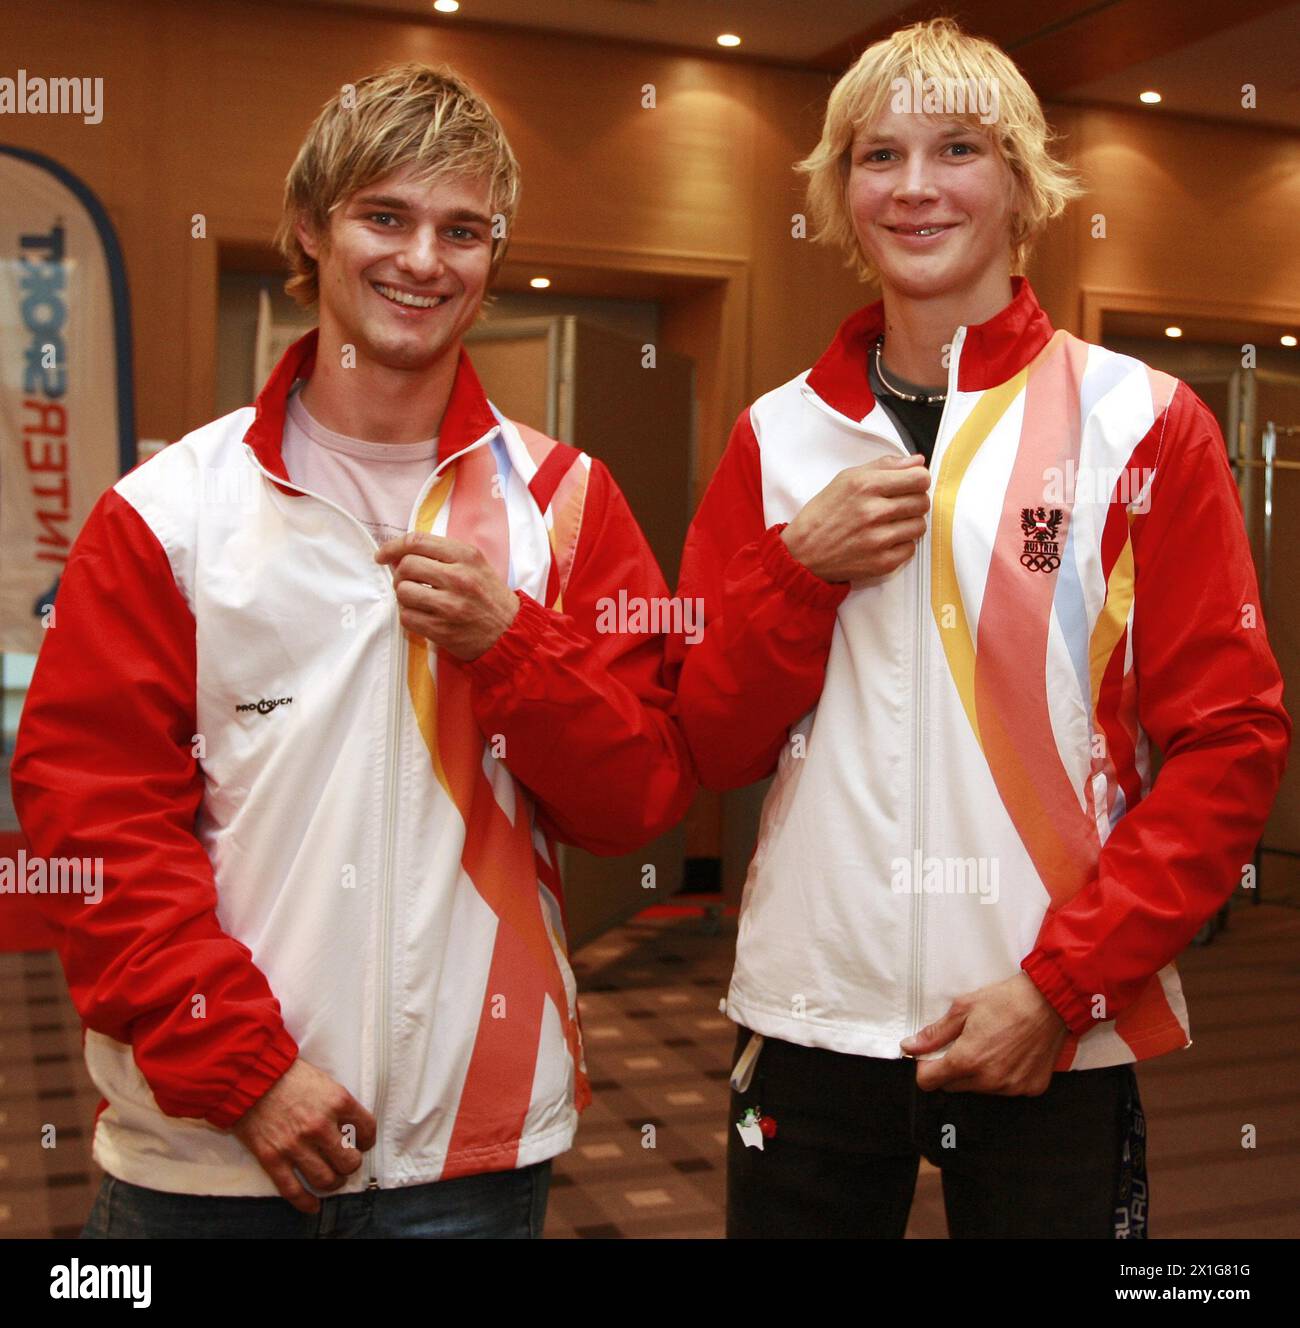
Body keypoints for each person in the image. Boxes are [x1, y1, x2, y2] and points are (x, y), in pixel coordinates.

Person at [11, 63, 696, 1239]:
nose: (423, 260)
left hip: (472, 1148)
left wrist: (514, 647)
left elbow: (636, 795)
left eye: (462, 229)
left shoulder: (566, 502)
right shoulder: (168, 510)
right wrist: (241, 1067)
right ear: (310, 229)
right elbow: (96, 821)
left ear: (493, 255)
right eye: (385, 215)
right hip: (207, 1144)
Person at [668, 17, 1291, 1239]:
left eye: (955, 148)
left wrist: (1064, 984)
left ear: (1020, 182)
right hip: (810, 1014)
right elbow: (711, 736)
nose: (911, 187)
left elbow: (1229, 744)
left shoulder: (1142, 423)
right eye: (875, 154)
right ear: (839, 193)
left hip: (1045, 1016)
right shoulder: (775, 436)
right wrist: (798, 576)